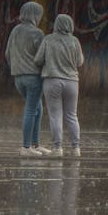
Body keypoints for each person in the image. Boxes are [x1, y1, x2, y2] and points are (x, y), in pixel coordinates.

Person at [34, 12, 84, 158]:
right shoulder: (75, 41)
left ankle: (58, 148)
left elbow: (37, 60)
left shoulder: (48, 39)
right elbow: (80, 62)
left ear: (56, 25)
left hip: (52, 80)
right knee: (72, 115)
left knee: (55, 115)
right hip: (72, 82)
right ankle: (76, 148)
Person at [5, 1, 51, 158]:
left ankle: (35, 144)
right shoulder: (37, 33)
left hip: (18, 78)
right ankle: (26, 147)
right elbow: (42, 56)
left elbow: (7, 53)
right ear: (35, 15)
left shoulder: (15, 31)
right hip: (33, 78)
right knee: (32, 110)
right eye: (39, 14)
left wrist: (16, 67)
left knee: (37, 109)